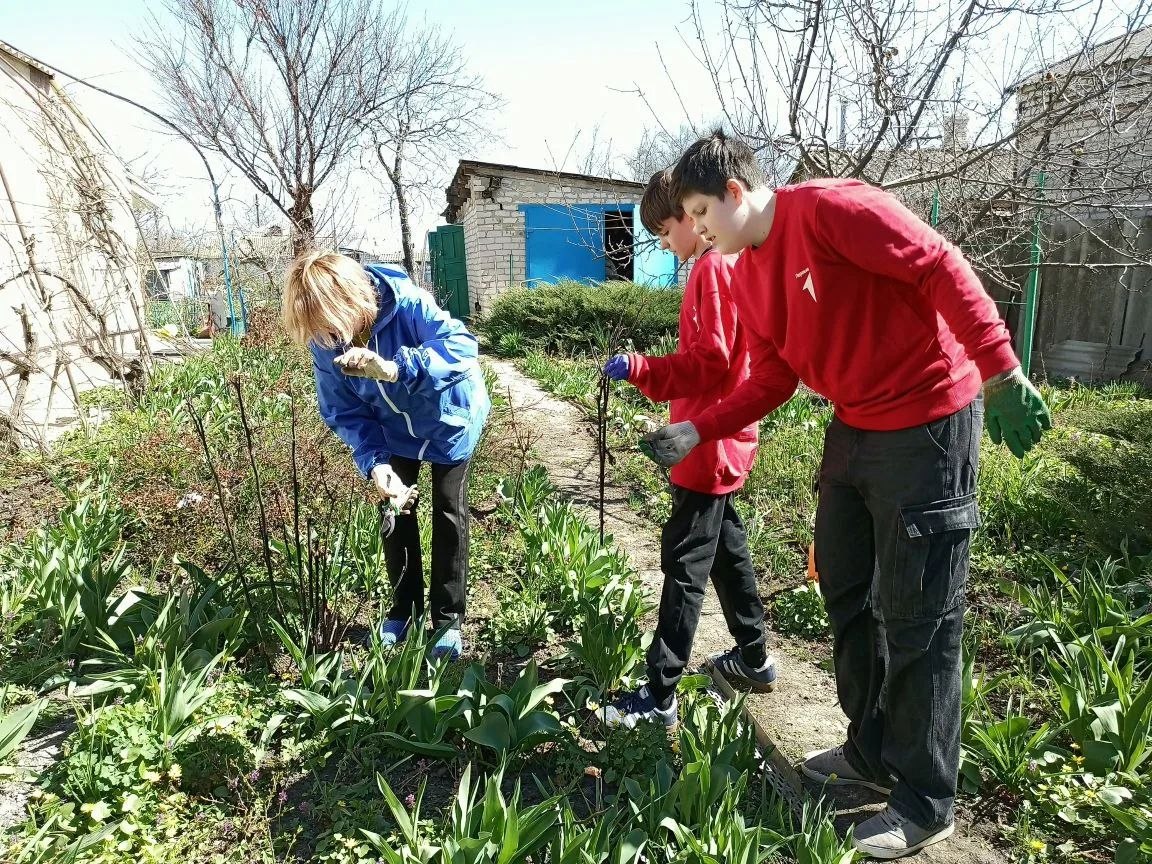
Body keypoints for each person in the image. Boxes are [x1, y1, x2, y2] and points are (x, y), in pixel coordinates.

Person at [643, 131, 1051, 859]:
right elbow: (770, 380)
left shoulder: (831, 209)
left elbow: (936, 264)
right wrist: (698, 429)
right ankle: (869, 750)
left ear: (736, 192)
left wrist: (997, 365)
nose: (698, 231)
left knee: (922, 613)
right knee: (845, 587)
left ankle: (927, 797)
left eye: (701, 212)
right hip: (855, 423)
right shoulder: (743, 273)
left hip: (930, 417)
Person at [597, 169, 776, 731]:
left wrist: (641, 368)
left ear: (689, 219)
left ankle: (659, 694)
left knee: (684, 564)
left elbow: (714, 362)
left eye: (666, 228)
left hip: (708, 443)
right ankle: (754, 658)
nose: (667, 241)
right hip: (713, 441)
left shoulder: (712, 268)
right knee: (726, 550)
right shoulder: (717, 265)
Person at [282, 251, 490, 661]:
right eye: (317, 331)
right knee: (394, 510)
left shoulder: (407, 303)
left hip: (449, 417)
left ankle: (447, 620)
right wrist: (375, 462)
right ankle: (403, 611)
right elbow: (343, 409)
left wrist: (395, 369)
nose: (327, 338)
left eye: (329, 323)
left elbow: (462, 347)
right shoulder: (326, 344)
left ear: (351, 301)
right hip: (392, 432)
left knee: (448, 510)